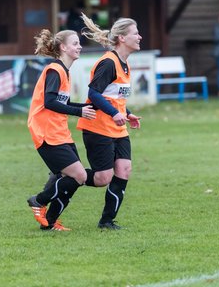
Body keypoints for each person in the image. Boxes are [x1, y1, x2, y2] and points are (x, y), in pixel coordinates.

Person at [76, 13, 142, 230]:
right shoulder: (108, 62)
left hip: (117, 128)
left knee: (124, 170)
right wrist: (114, 114)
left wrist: (127, 113)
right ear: (122, 38)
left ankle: (106, 221)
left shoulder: (125, 64)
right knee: (103, 178)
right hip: (98, 127)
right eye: (135, 33)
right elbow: (94, 94)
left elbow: (114, 98)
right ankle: (66, 175)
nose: (140, 37)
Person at [27, 28, 96, 231]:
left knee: (71, 178)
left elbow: (62, 101)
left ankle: (50, 221)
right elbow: (49, 102)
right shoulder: (55, 70)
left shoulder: (64, 71)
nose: (79, 46)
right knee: (80, 176)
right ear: (63, 47)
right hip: (46, 133)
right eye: (75, 43)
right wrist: (80, 113)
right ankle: (38, 201)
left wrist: (83, 107)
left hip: (59, 132)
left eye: (79, 43)